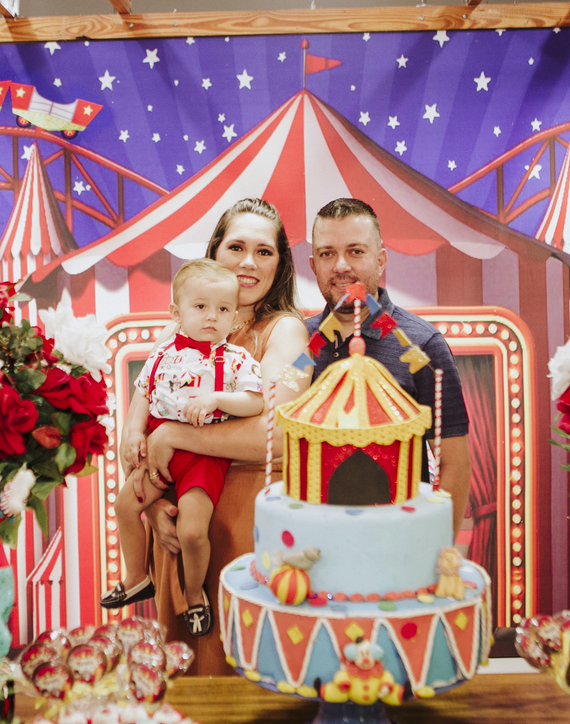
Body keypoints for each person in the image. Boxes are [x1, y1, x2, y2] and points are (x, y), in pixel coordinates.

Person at [128, 198, 309, 675]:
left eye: (264, 252)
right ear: (213, 252)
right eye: (236, 247)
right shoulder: (179, 331)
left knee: (239, 671)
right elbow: (141, 423)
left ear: (280, 266)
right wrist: (152, 506)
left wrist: (174, 435)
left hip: (245, 527)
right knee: (186, 675)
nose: (249, 262)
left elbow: (277, 434)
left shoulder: (290, 334)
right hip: (179, 525)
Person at [104, 260, 264, 637]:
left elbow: (256, 401)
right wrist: (134, 432)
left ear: (234, 317)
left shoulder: (236, 359)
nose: (211, 317)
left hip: (203, 456)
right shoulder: (162, 353)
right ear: (177, 313)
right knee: (125, 506)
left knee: (192, 532)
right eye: (201, 307)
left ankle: (194, 595)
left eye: (222, 309)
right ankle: (136, 576)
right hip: (160, 451)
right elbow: (144, 393)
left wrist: (218, 399)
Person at [305, 198, 472, 535]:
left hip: (397, 544)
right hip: (309, 544)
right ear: (313, 264)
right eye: (327, 253)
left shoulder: (423, 345)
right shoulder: (298, 342)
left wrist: (436, 549)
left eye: (355, 251)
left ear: (380, 260)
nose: (340, 265)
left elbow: (454, 463)